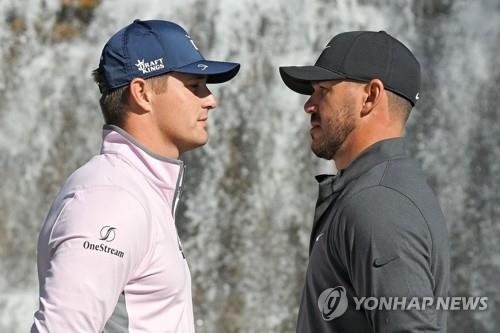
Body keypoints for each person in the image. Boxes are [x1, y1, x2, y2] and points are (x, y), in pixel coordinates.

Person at [31, 19, 240, 332]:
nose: (210, 99)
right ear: (142, 93)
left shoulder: (134, 190)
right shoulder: (111, 199)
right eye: (194, 85)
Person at [279, 31, 450, 332]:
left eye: (323, 89)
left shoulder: (378, 203)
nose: (309, 105)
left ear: (370, 96)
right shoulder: (381, 191)